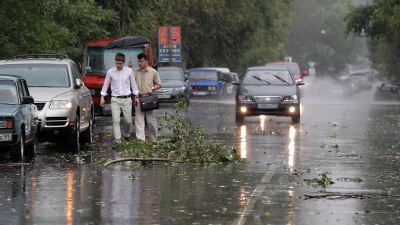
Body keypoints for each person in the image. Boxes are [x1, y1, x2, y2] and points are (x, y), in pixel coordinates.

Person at [100, 53, 139, 145]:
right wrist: (102, 97)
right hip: (115, 99)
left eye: (120, 64)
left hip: (127, 98)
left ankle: (126, 135)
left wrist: (136, 96)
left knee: (128, 121)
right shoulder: (110, 72)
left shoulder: (129, 71)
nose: (118, 65)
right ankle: (117, 140)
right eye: (117, 63)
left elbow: (133, 84)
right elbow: (105, 85)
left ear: (124, 62)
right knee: (116, 120)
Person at [132, 53, 162, 141]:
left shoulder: (153, 71)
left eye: (142, 61)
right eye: (139, 61)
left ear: (146, 62)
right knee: (139, 122)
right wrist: (130, 68)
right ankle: (140, 142)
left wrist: (152, 88)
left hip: (150, 99)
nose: (140, 63)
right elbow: (130, 82)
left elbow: (159, 84)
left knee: (150, 121)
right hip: (139, 98)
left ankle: (154, 140)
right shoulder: (136, 72)